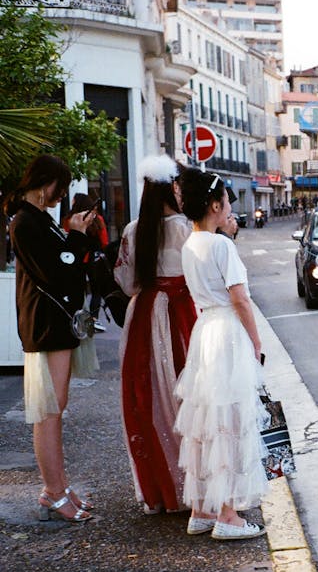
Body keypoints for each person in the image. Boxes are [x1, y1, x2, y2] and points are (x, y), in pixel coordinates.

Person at [174, 169, 268, 540]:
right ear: (216, 205)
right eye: (227, 200)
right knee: (230, 419)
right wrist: (257, 343)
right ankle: (228, 515)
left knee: (205, 421)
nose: (230, 206)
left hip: (204, 331)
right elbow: (240, 298)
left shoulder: (190, 244)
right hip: (227, 332)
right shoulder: (221, 246)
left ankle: (202, 509)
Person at [6, 155, 98, 523]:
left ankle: (58, 487)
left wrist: (73, 236)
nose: (62, 196)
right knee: (49, 412)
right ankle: (53, 492)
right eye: (60, 188)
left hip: (54, 324)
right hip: (45, 325)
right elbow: (58, 271)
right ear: (46, 183)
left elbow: (66, 265)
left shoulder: (37, 220)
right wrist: (76, 235)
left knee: (54, 408)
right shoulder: (26, 222)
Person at [114, 155, 197, 514]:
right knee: (189, 396)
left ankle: (161, 488)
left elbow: (127, 281)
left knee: (147, 399)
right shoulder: (186, 228)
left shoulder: (134, 230)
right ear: (172, 187)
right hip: (181, 316)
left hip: (144, 317)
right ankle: (194, 486)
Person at [64, 193, 109, 331]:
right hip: (94, 260)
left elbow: (67, 239)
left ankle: (79, 316)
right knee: (96, 290)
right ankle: (94, 318)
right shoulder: (98, 220)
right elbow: (105, 241)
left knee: (79, 289)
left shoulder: (70, 220)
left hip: (78, 259)